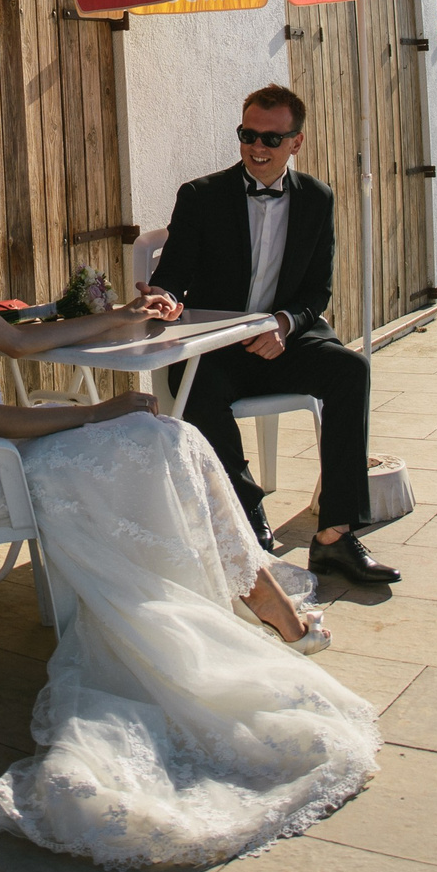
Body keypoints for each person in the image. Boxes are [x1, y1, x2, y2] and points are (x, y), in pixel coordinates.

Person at [0, 101, 379, 868]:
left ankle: (263, 604)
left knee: (167, 440)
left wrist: (115, 317)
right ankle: (265, 605)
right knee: (154, 439)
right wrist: (101, 412)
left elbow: (17, 339)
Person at [146, 85, 400, 587]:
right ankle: (247, 511)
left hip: (281, 337)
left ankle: (335, 535)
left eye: (270, 138)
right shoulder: (200, 196)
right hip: (216, 345)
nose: (257, 148)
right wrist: (163, 297)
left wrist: (283, 326)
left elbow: (316, 292)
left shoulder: (318, 199)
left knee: (351, 370)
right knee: (198, 386)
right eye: (247, 135)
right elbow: (173, 275)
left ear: (296, 143)